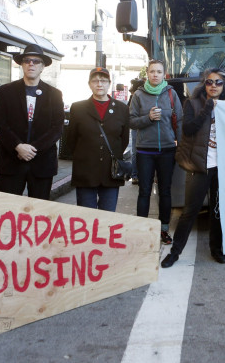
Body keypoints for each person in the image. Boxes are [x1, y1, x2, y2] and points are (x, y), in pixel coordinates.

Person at [161, 69, 225, 268]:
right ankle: (175, 253)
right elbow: (189, 129)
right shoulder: (192, 104)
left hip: (223, 168)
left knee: (217, 212)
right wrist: (207, 108)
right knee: (189, 212)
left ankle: (216, 250)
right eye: (209, 82)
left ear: (223, 86)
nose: (214, 86)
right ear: (204, 85)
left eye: (218, 82)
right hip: (199, 166)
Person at [0, 44, 64, 200]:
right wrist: (18, 146)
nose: (31, 64)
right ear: (22, 65)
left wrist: (33, 149)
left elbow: (57, 128)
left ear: (42, 67)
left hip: (42, 163)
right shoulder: (6, 91)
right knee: (7, 211)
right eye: (27, 60)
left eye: (36, 61)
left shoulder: (54, 94)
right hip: (11, 161)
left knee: (38, 213)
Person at [129, 59, 182, 245]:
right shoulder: (138, 95)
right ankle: (143, 230)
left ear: (164, 74)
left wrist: (180, 146)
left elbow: (180, 121)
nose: (155, 75)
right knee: (144, 191)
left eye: (159, 72)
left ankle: (164, 230)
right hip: (145, 151)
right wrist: (148, 118)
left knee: (165, 191)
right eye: (152, 71)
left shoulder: (171, 94)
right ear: (147, 73)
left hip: (167, 149)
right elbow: (131, 121)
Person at [66, 67, 129, 211]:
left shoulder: (122, 109)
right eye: (95, 81)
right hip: (85, 171)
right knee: (86, 217)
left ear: (109, 83)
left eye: (103, 80)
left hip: (111, 173)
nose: (99, 84)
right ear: (89, 84)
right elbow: (71, 139)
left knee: (107, 217)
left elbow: (123, 140)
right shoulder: (78, 108)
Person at [128, 77, 146, 184]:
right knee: (138, 152)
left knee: (136, 152)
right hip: (140, 126)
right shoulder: (138, 96)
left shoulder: (133, 97)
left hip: (136, 127)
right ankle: (136, 175)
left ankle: (135, 175)